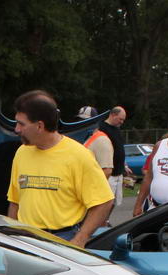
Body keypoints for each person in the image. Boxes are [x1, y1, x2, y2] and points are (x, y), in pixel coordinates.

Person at [7, 90, 114, 248]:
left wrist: (79, 240)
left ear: (39, 126)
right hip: (25, 239)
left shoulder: (79, 155)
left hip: (62, 240)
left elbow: (104, 202)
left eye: (21, 124)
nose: (16, 129)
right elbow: (15, 202)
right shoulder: (22, 152)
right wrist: (11, 238)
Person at [100, 106, 127, 206]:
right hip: (109, 173)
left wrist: (124, 165)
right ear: (112, 115)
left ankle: (106, 221)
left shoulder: (117, 130)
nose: (122, 122)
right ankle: (102, 221)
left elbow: (119, 149)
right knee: (106, 202)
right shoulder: (102, 128)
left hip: (119, 172)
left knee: (115, 202)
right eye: (120, 119)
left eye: (123, 120)